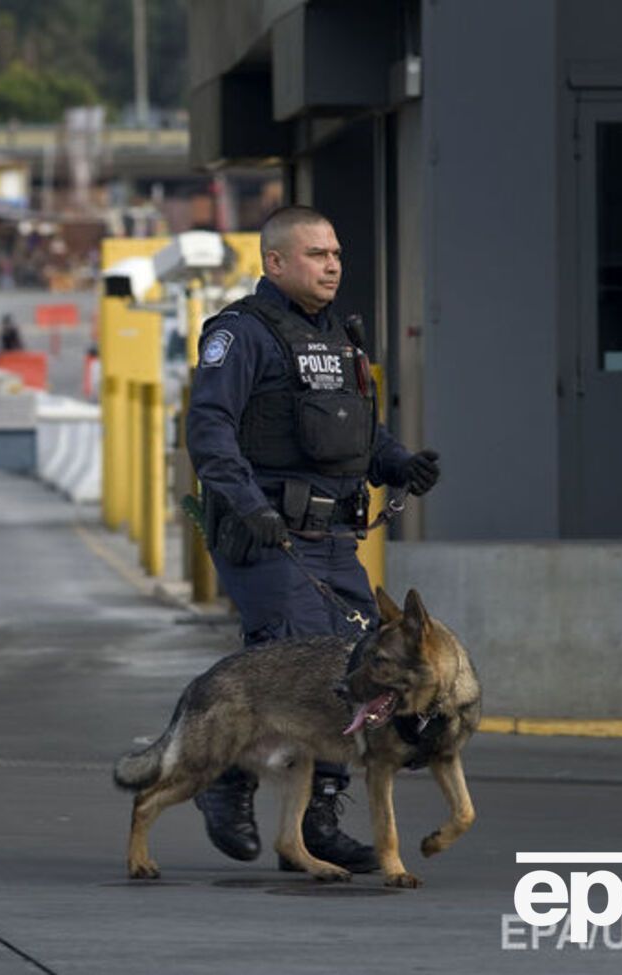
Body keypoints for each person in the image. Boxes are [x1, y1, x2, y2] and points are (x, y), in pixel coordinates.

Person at [185, 205, 442, 874]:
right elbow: (208, 434)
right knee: (292, 664)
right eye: (315, 254)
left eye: (335, 253)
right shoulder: (242, 335)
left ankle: (319, 819)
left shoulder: (339, 337)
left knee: (361, 668)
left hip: (332, 536)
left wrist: (398, 464)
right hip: (267, 534)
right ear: (276, 262)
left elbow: (360, 435)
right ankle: (225, 782)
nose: (332, 264)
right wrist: (248, 508)